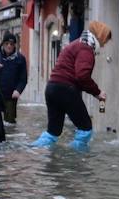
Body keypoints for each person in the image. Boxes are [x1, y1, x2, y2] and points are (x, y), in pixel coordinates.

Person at [33, 21, 109, 149]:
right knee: (85, 129)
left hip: (52, 88)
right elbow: (82, 76)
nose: (105, 44)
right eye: (105, 39)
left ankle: (31, 149)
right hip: (66, 90)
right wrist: (97, 92)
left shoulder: (76, 44)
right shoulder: (86, 49)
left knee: (53, 132)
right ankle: (75, 161)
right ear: (99, 36)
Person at [0, 31, 27, 124]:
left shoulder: (20, 59)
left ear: (14, 45)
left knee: (10, 123)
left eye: (11, 44)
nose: (9, 46)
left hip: (11, 95)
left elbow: (23, 78)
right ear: (3, 44)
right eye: (7, 43)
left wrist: (18, 90)